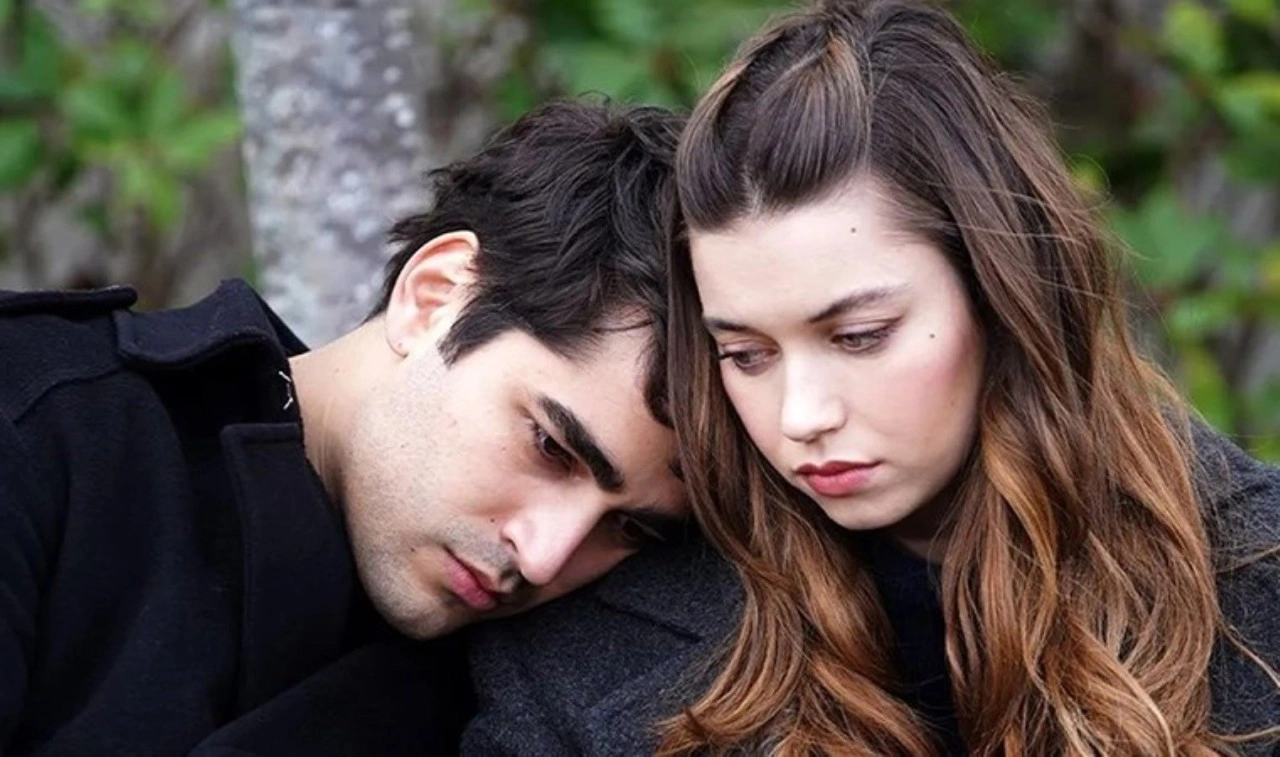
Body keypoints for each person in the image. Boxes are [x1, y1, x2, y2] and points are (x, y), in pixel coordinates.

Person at [461, 1, 1280, 755]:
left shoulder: (1256, 575)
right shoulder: (586, 646)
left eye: (860, 336)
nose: (801, 415)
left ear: (1001, 296)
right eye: (746, 355)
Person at [0, 99, 688, 755]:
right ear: (435, 295)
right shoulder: (44, 418)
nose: (544, 558)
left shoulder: (528, 682)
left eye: (628, 527)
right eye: (549, 445)